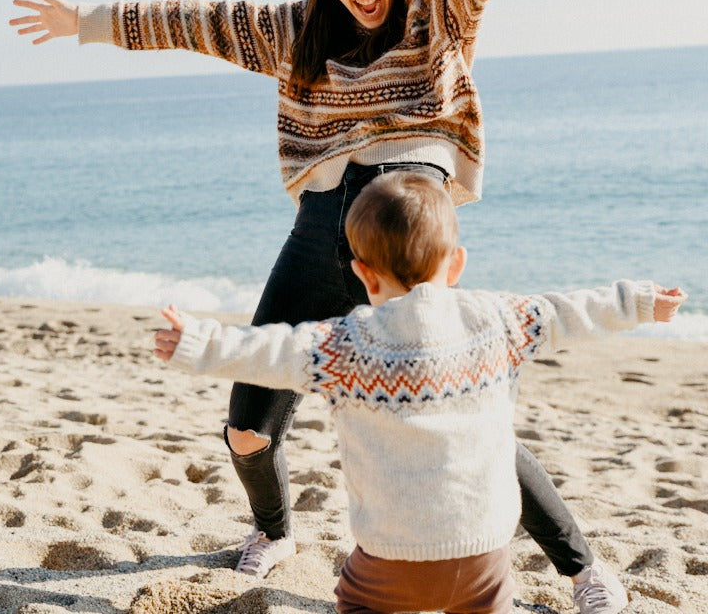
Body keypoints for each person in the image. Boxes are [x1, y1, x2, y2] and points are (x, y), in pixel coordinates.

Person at [10, 0, 648, 607]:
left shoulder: (432, 6)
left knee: (468, 416)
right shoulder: (295, 33)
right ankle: (274, 531)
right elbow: (195, 20)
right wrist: (85, 21)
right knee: (247, 430)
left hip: (408, 249)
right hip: (318, 241)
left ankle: (583, 570)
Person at [153, 170, 687, 614]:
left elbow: (270, 351)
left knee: (355, 602)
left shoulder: (345, 346)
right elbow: (570, 311)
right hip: (485, 556)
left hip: (391, 562)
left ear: (361, 272)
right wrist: (640, 302)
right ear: (456, 263)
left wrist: (196, 342)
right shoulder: (500, 319)